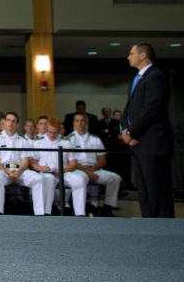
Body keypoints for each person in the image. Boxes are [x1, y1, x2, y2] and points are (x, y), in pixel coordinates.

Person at [121, 43, 174, 218]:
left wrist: (132, 133)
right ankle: (148, 225)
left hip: (153, 143)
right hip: (138, 144)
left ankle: (163, 228)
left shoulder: (156, 77)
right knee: (144, 191)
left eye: (131, 53)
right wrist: (126, 131)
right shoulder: (137, 79)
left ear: (143, 55)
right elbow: (128, 110)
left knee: (157, 190)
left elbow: (151, 109)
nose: (128, 57)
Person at [69, 113, 121, 216]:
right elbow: (69, 162)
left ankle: (107, 208)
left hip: (94, 169)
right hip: (77, 170)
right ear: (73, 123)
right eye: (77, 121)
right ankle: (81, 209)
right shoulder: (69, 139)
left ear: (86, 123)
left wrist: (90, 170)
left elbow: (103, 160)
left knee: (115, 178)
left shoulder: (95, 139)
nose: (80, 123)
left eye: (82, 120)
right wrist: (87, 172)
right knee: (81, 178)